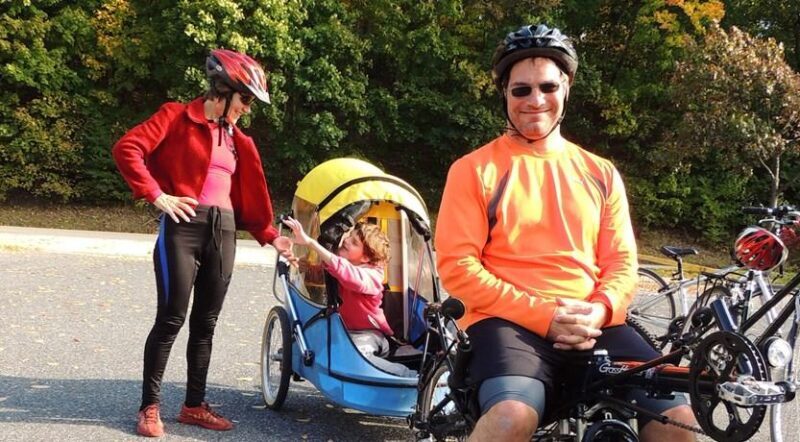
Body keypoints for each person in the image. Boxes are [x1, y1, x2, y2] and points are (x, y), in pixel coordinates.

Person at [434, 24, 697, 441]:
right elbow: (458, 268)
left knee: (678, 423)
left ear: (567, 87)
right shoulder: (473, 170)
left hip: (594, 323)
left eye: (547, 86)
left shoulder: (600, 172)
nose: (535, 100)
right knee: (510, 419)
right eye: (521, 90)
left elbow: (622, 263)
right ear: (505, 93)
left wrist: (600, 309)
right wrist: (546, 316)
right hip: (507, 323)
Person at [112, 48, 295, 437]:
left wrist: (270, 237)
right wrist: (157, 195)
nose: (248, 108)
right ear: (224, 90)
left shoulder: (238, 140)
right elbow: (127, 148)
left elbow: (250, 198)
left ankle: (193, 406)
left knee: (206, 324)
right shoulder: (176, 115)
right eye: (245, 99)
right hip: (183, 227)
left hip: (223, 231)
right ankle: (149, 407)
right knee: (171, 318)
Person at [283, 217, 416, 377]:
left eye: (354, 242)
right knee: (320, 349)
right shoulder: (347, 266)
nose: (346, 241)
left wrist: (312, 243)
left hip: (370, 335)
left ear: (366, 257)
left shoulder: (372, 276)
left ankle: (405, 374)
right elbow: (328, 274)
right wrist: (307, 267)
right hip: (345, 332)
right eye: (349, 236)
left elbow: (346, 274)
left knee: (357, 358)